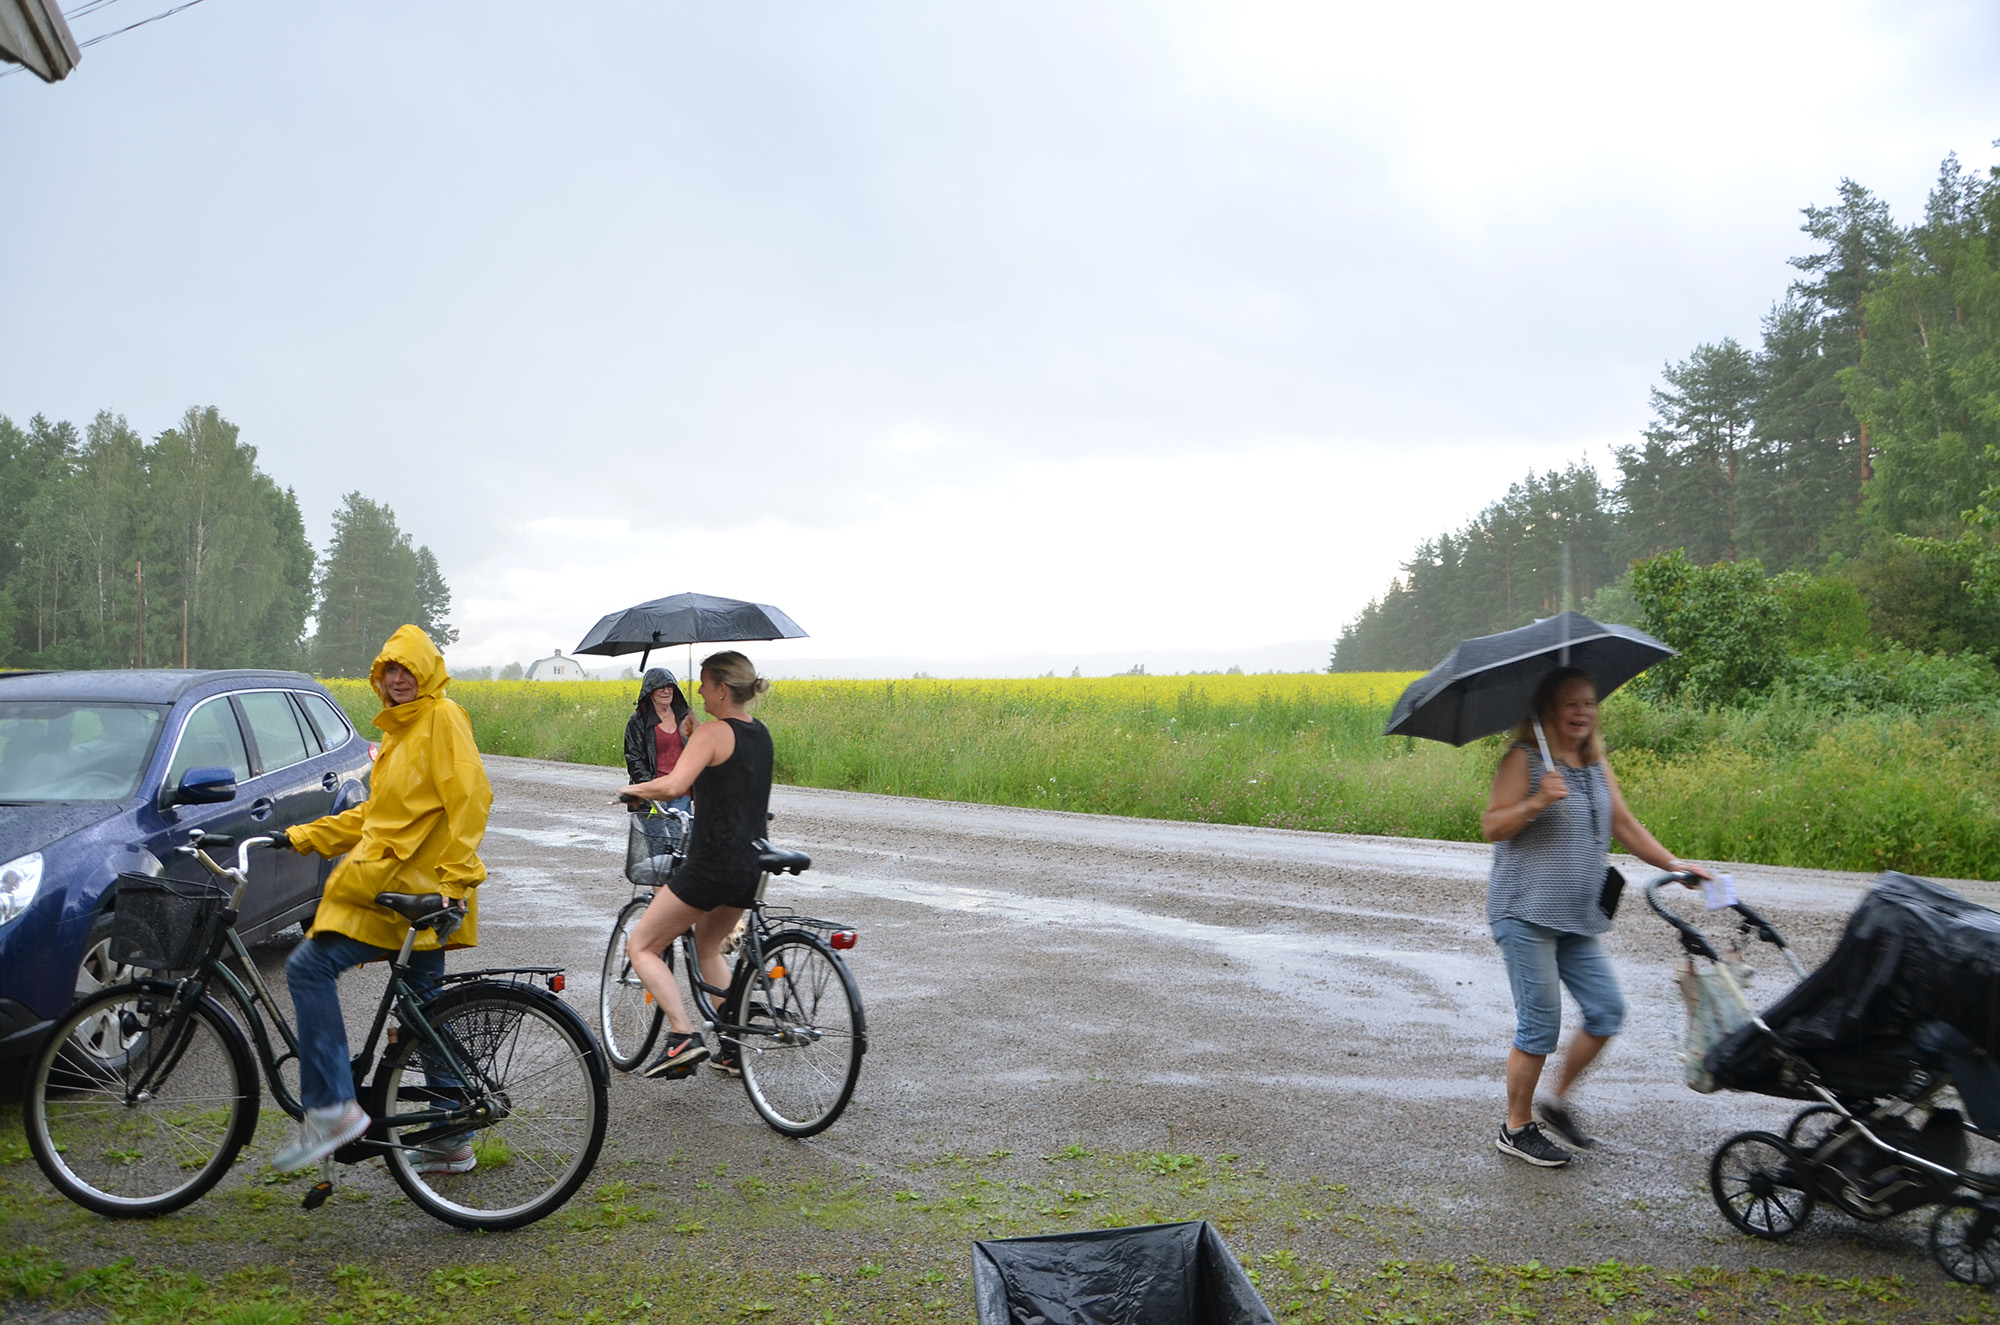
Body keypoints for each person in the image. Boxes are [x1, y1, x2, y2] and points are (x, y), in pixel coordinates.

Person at [272, 625, 493, 1173]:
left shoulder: (442, 718)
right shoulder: (399, 731)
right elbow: (377, 814)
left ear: (427, 673)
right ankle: (451, 1137)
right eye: (390, 670)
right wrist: (306, 836)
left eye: (407, 669)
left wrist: (454, 882)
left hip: (414, 891)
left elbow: (471, 797)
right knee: (425, 1012)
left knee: (308, 968)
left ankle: (333, 1108)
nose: (397, 679)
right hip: (404, 889)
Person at [1481, 665, 1711, 1169]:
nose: (1582, 712)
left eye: (1589, 702)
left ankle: (1555, 1101)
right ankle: (1516, 1128)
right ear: (1548, 709)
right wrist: (1538, 800)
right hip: (1525, 913)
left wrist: (1675, 866)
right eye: (1571, 703)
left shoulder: (1593, 764)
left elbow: (1624, 824)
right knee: (1540, 1025)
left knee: (1606, 1011)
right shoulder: (1524, 759)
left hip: (1577, 916)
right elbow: (1492, 825)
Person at [616, 650, 773, 1079]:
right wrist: (694, 736)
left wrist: (634, 790)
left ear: (722, 688)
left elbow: (674, 786)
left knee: (641, 945)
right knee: (707, 945)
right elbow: (725, 783)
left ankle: (683, 1036)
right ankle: (732, 1045)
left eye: (704, 683)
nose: (699, 690)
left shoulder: (712, 734)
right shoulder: (759, 733)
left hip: (711, 865)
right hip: (749, 864)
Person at [623, 666, 695, 824]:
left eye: (670, 687)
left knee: (680, 837)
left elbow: (697, 753)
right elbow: (634, 759)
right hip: (652, 796)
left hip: (680, 792)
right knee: (655, 839)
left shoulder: (685, 717)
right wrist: (651, 789)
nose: (666, 691)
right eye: (660, 687)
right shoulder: (638, 721)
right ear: (650, 691)